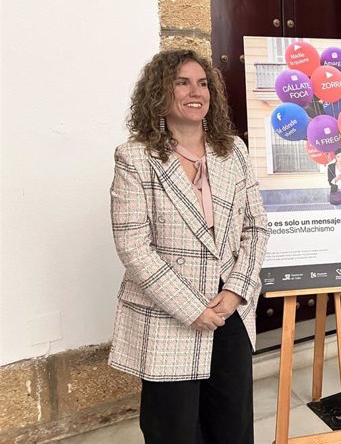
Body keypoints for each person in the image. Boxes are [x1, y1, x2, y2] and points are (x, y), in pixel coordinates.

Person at [108, 50, 269, 444]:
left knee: (232, 426)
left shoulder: (233, 150)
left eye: (202, 83)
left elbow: (257, 227)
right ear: (159, 94)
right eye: (181, 82)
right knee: (174, 430)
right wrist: (191, 308)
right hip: (169, 316)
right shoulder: (136, 157)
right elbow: (133, 245)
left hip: (228, 312)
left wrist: (235, 292)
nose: (195, 92)